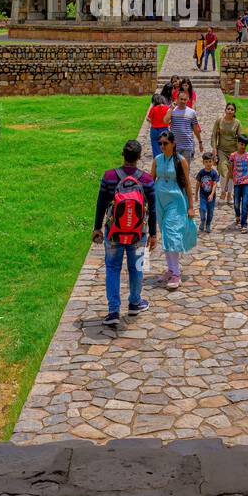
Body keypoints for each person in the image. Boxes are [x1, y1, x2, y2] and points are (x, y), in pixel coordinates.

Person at [92, 139, 157, 325]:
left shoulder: (109, 176)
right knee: (137, 267)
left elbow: (101, 204)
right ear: (138, 157)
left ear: (123, 154)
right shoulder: (146, 180)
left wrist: (97, 228)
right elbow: (152, 210)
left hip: (113, 232)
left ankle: (113, 311)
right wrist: (153, 234)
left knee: (113, 268)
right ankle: (135, 303)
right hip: (138, 233)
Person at [153, 129, 196, 289]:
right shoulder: (157, 160)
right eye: (160, 144)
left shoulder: (180, 160)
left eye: (165, 143)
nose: (162, 146)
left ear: (173, 144)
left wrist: (191, 206)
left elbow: (187, 184)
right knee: (165, 234)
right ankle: (170, 268)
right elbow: (151, 180)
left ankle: (176, 273)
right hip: (160, 202)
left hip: (176, 202)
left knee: (172, 233)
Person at [211, 100, 242, 201]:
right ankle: (223, 190)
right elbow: (214, 136)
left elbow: (240, 138)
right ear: (225, 110)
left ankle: (229, 193)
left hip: (233, 151)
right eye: (228, 109)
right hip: (221, 150)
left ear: (234, 112)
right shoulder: (219, 121)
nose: (230, 111)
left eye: (232, 109)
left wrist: (240, 153)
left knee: (232, 173)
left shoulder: (237, 123)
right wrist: (214, 152)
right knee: (224, 171)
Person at [170, 88, 203, 165]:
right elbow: (165, 121)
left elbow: (195, 128)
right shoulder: (172, 111)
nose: (183, 101)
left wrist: (200, 142)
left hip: (187, 145)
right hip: (175, 145)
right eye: (181, 99)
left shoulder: (191, 112)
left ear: (187, 100)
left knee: (186, 169)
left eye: (185, 99)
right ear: (177, 99)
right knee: (175, 169)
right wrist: (171, 109)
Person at [229, 132, 248, 233]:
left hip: (246, 181)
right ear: (238, 143)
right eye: (241, 144)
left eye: (245, 145)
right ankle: (237, 215)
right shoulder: (233, 156)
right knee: (236, 203)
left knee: (245, 203)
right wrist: (230, 180)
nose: (243, 147)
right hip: (237, 182)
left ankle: (244, 224)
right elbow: (231, 168)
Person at [195, 151, 220, 233]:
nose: (208, 163)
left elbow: (215, 184)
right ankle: (202, 221)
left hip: (211, 195)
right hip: (203, 195)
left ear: (212, 161)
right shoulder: (201, 173)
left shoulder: (214, 173)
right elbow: (198, 183)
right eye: (206, 162)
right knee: (202, 208)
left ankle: (208, 224)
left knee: (210, 211)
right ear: (203, 162)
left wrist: (212, 194)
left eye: (210, 161)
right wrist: (196, 194)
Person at [146, 91, 172, 159]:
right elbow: (169, 119)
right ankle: (165, 158)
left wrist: (153, 121)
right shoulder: (167, 108)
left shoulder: (153, 109)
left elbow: (148, 118)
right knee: (165, 144)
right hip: (164, 129)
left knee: (155, 145)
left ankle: (157, 159)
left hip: (154, 130)